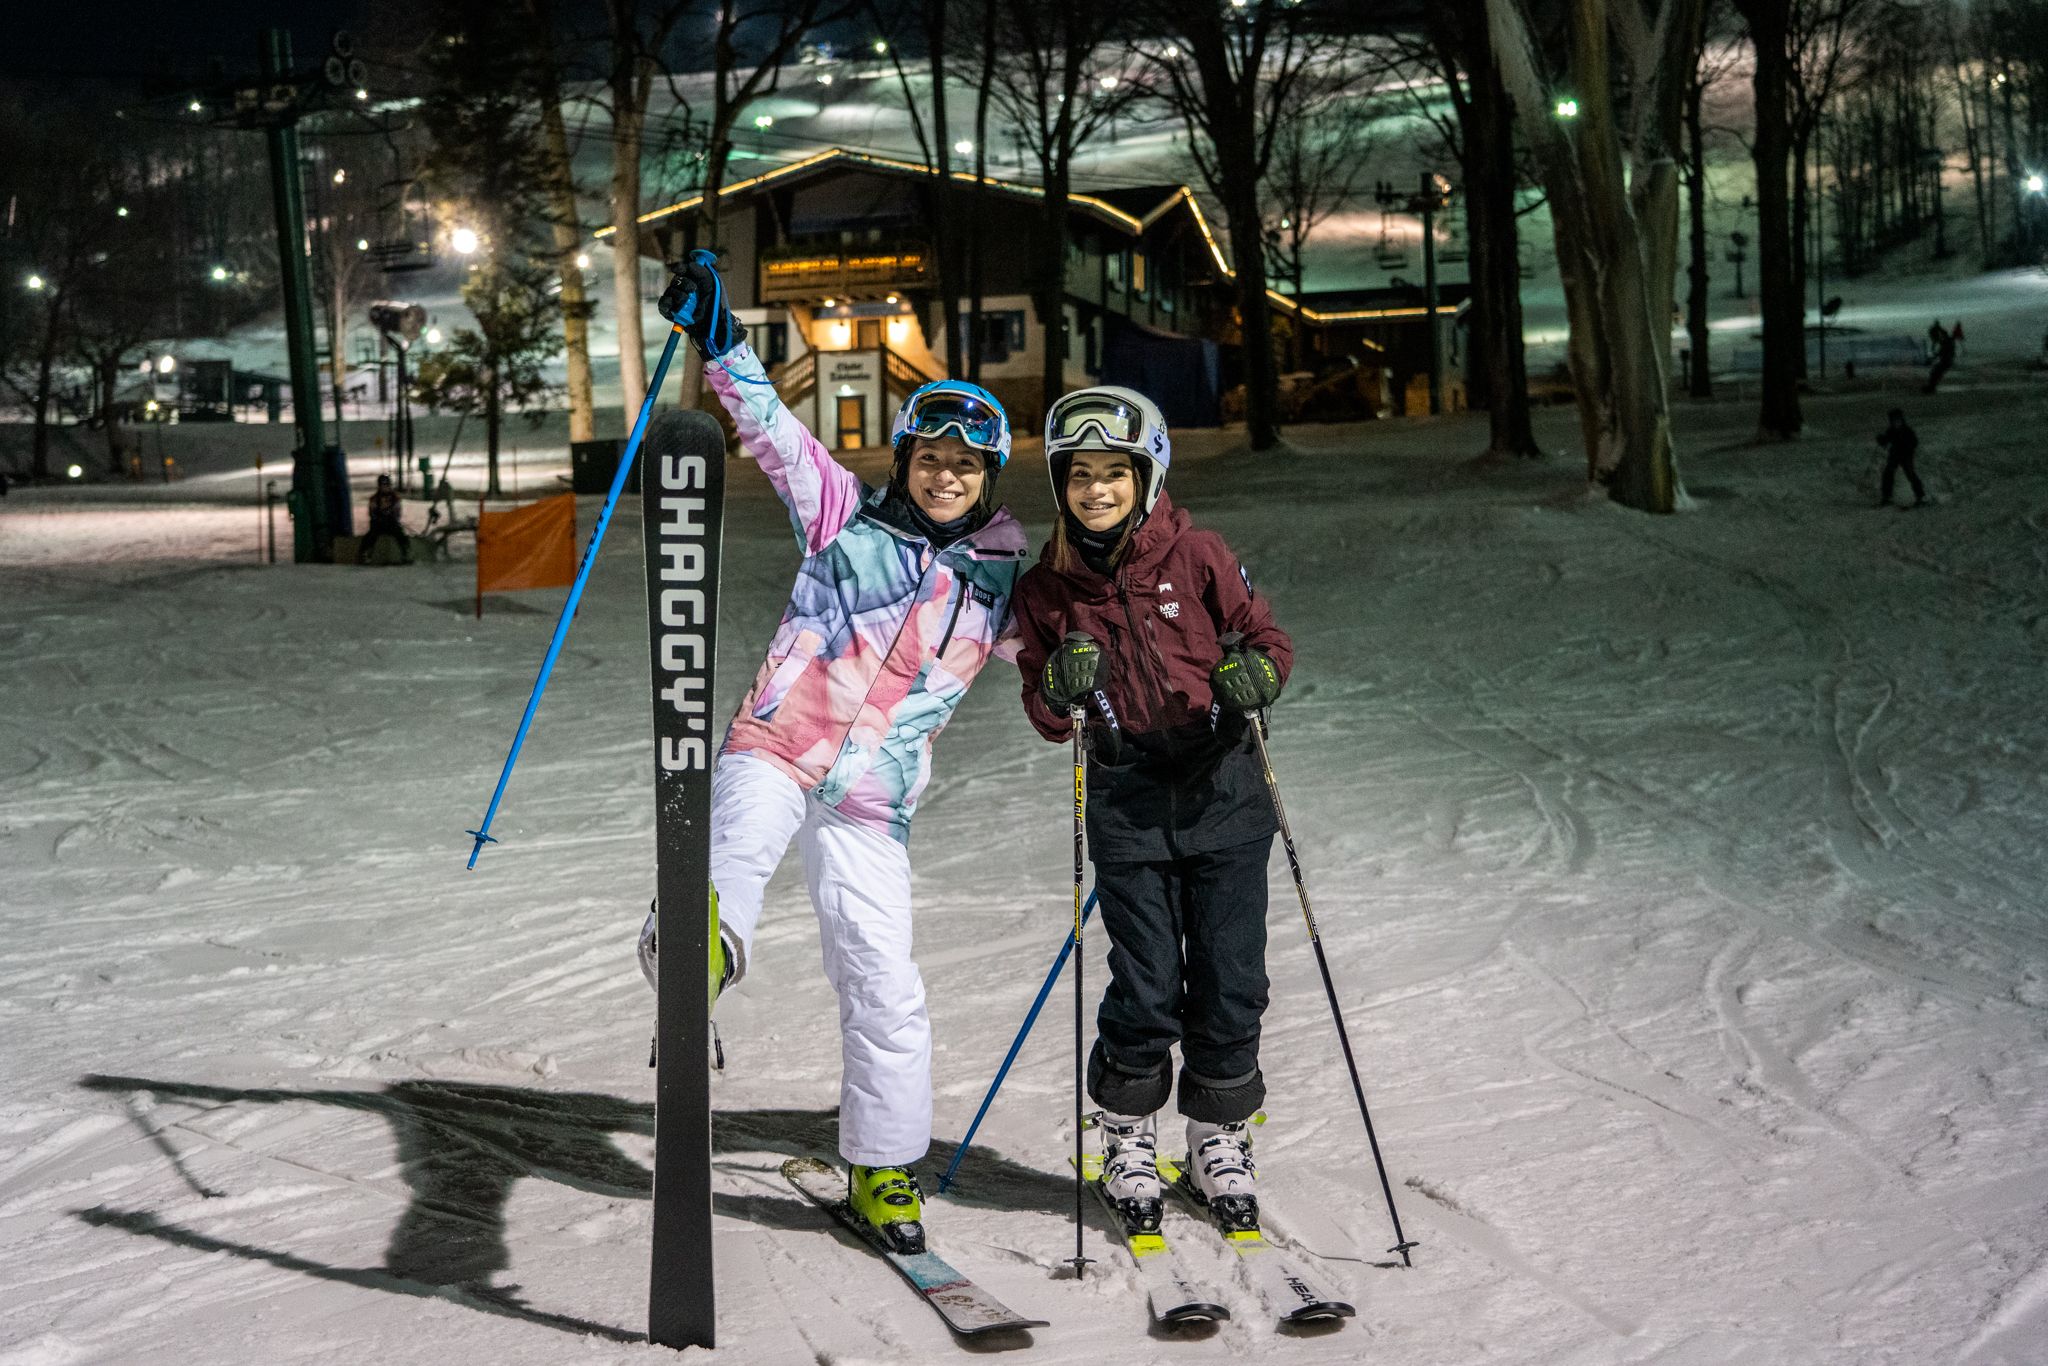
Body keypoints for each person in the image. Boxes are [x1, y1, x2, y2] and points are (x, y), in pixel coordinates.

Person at [635, 255, 1028, 1253]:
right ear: (905, 459)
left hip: (871, 803)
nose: (944, 474)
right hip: (779, 746)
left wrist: (1087, 679)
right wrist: (721, 340)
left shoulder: (997, 586)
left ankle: (883, 1165)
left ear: (988, 479)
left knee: (884, 980)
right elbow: (771, 429)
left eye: (965, 465)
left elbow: (1073, 666)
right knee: (740, 845)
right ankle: (695, 944)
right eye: (930, 456)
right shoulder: (840, 515)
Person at [1010, 386, 1294, 1236]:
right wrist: (1060, 693)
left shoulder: (1198, 553)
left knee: (1231, 980)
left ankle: (1217, 1139)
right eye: (1079, 474)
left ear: (1147, 473)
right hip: (1130, 805)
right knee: (1143, 988)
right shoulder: (1046, 592)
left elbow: (1266, 641)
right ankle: (1127, 1138)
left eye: (1114, 473)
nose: (1096, 490)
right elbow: (1043, 706)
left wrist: (1258, 678)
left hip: (1225, 797)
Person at [1876, 407, 1926, 508]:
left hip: (1906, 455)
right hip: (1895, 455)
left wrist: (1907, 447)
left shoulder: (1907, 431)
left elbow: (1914, 442)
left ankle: (1921, 496)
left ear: (1901, 420)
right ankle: (1887, 497)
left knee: (1910, 474)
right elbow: (1886, 441)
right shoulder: (1891, 431)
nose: (1896, 423)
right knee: (1888, 473)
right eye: (1894, 421)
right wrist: (1881, 440)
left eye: (1898, 420)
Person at [357, 474, 411, 564]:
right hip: (378, 524)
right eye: (383, 485)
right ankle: (366, 554)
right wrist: (378, 518)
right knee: (370, 536)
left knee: (400, 534)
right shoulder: (374, 499)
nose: (385, 487)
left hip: (391, 524)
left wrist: (391, 518)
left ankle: (406, 553)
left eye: (387, 485)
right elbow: (372, 513)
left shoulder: (395, 498)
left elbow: (397, 513)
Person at [1924, 321, 1957, 393]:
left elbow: (1942, 352)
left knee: (1935, 373)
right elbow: (1941, 351)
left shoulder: (1945, 340)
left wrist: (1932, 358)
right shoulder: (1945, 339)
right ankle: (1931, 387)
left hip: (1947, 360)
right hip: (1947, 359)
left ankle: (1931, 388)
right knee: (1935, 373)